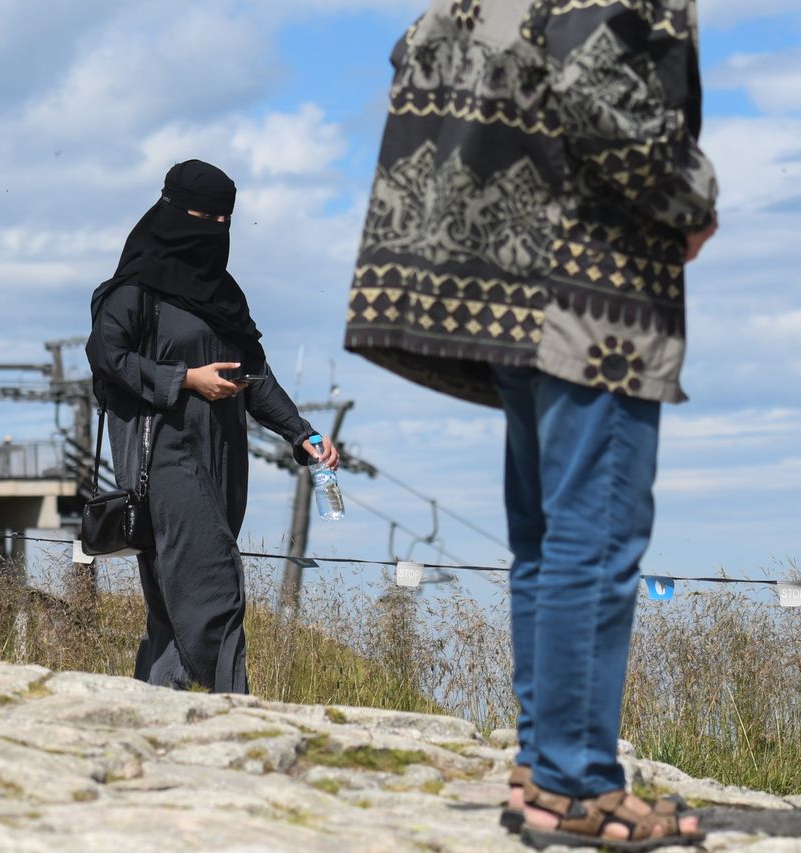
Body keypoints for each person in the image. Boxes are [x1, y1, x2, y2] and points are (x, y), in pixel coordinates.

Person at [343, 2, 715, 849]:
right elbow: (595, 81)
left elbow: (417, 49)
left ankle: (543, 768)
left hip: (506, 284)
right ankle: (575, 782)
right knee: (597, 536)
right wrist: (690, 195)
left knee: (547, 540)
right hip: (595, 293)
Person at [87, 160, 339, 694]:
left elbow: (255, 375)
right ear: (171, 212)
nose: (214, 229)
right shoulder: (134, 290)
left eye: (224, 220)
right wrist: (184, 380)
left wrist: (301, 433)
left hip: (224, 462)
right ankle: (235, 711)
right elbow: (108, 358)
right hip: (164, 461)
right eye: (202, 216)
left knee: (173, 604)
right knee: (215, 587)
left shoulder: (224, 294)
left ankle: (155, 712)